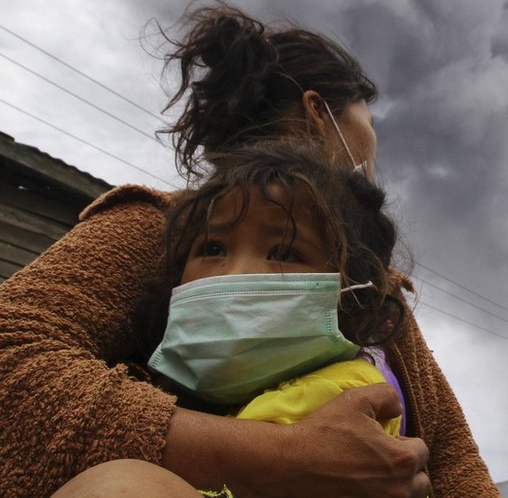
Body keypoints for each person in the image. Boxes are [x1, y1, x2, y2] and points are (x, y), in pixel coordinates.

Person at [0, 0, 498, 497]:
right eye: (369, 122)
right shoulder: (155, 226)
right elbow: (8, 359)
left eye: (286, 252)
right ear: (318, 112)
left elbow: (452, 457)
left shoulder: (377, 290)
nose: (370, 148)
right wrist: (285, 457)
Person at [147, 142, 407, 441]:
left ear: (353, 295)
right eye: (213, 248)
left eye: (284, 253)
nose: (236, 274)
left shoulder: (343, 396)